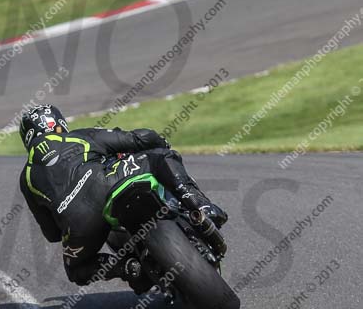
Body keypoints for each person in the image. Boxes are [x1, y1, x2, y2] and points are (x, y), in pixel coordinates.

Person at [19, 105, 227, 293]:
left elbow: (52, 234)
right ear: (59, 124)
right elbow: (138, 138)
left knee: (76, 269)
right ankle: (201, 206)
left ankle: (125, 268)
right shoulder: (78, 137)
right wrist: (161, 143)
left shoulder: (26, 177)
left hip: (80, 224)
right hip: (109, 184)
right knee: (160, 156)